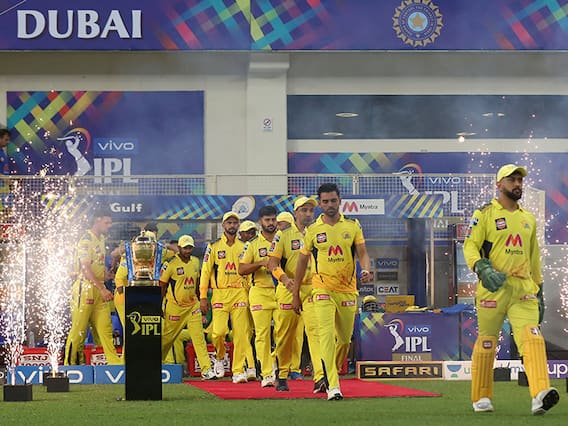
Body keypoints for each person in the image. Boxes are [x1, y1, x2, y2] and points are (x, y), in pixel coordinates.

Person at [463, 164, 559, 415]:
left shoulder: (528, 219)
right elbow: (470, 245)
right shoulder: (485, 213)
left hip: (523, 291)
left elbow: (533, 257)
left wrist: (539, 290)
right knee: (487, 342)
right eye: (511, 180)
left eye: (519, 180)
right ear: (499, 184)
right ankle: (481, 397)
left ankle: (540, 394)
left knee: (532, 338)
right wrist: (481, 268)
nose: (517, 184)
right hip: (492, 290)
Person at [294, 183, 372, 400]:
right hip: (322, 290)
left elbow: (363, 252)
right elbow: (301, 263)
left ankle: (331, 370)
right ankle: (332, 385)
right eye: (325, 201)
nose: (330, 205)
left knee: (344, 339)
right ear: (320, 204)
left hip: (347, 290)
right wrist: (295, 293)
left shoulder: (352, 225)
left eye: (333, 201)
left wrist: (366, 269)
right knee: (326, 336)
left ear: (340, 201)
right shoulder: (312, 230)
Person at [268, 197, 325, 392]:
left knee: (315, 332)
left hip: (312, 288)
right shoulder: (283, 235)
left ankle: (320, 377)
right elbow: (272, 263)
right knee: (285, 335)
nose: (308, 214)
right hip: (288, 289)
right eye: (304, 210)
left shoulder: (318, 232)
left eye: (311, 210)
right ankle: (282, 374)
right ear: (295, 213)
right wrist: (284, 279)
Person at [64, 208, 121, 365]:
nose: (109, 226)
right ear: (97, 220)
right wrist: (102, 288)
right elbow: (85, 268)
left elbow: (97, 265)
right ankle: (70, 365)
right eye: (107, 222)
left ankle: (113, 366)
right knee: (79, 331)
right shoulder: (86, 240)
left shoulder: (101, 239)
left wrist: (107, 275)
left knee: (106, 331)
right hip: (85, 289)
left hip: (99, 289)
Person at [199, 212, 251, 382]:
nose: (232, 225)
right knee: (218, 332)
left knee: (241, 333)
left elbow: (249, 271)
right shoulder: (213, 246)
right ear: (223, 225)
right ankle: (220, 356)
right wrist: (203, 296)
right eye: (229, 222)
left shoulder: (245, 246)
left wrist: (249, 291)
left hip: (239, 292)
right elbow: (205, 271)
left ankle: (238, 370)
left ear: (238, 225)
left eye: (235, 223)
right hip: (220, 293)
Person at [159, 235, 215, 379]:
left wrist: (201, 299)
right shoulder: (170, 264)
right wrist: (159, 305)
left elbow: (197, 282)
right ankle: (156, 362)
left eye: (190, 248)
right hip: (175, 307)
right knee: (167, 339)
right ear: (179, 248)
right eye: (185, 248)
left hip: (192, 306)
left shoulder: (195, 262)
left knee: (199, 338)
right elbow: (162, 286)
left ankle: (206, 370)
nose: (188, 251)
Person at [239, 206, 278, 388]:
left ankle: (276, 363)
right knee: (262, 334)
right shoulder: (252, 244)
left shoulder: (283, 239)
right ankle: (267, 373)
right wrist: (261, 263)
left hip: (281, 291)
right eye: (267, 220)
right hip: (260, 292)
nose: (271, 223)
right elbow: (241, 269)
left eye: (273, 219)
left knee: (284, 333)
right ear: (261, 222)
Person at [238, 219, 259, 381]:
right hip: (240, 294)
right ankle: (249, 366)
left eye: (253, 231)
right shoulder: (239, 248)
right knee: (245, 332)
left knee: (258, 332)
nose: (251, 234)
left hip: (256, 292)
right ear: (241, 234)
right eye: (248, 232)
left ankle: (259, 366)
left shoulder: (256, 245)